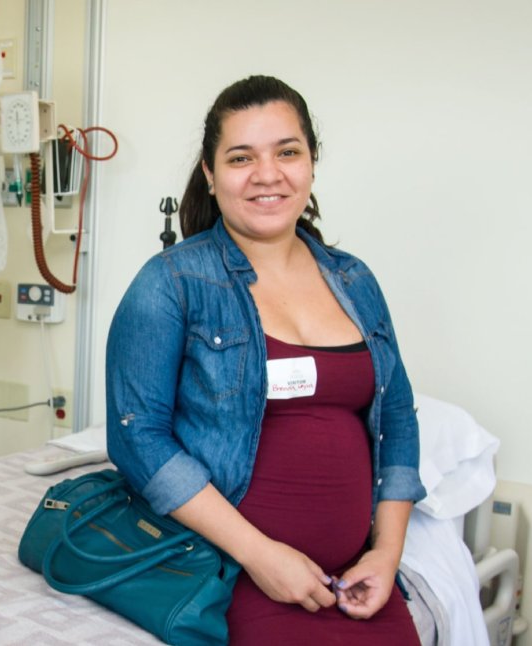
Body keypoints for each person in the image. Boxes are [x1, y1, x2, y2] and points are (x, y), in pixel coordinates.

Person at [105, 75, 426, 645]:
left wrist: (386, 554)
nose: (267, 174)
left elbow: (397, 417)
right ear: (210, 172)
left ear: (311, 161)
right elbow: (139, 438)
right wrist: (260, 554)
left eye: (287, 152)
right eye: (240, 157)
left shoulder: (355, 280)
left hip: (355, 581)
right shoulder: (172, 283)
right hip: (234, 577)